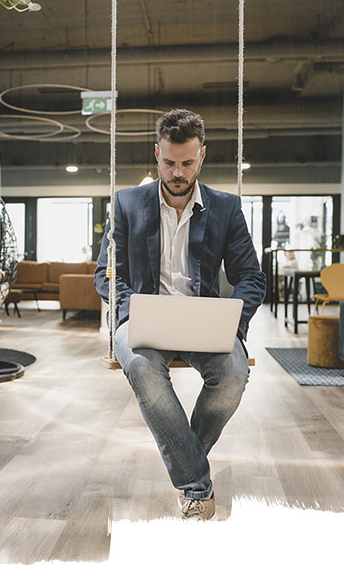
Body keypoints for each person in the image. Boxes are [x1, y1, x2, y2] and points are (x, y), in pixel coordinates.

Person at [93, 109, 266, 521]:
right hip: (141, 316)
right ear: (157, 154)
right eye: (169, 162)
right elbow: (106, 272)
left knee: (233, 375)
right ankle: (195, 486)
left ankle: (185, 457)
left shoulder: (226, 208)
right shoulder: (126, 203)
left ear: (202, 156)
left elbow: (252, 278)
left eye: (187, 163)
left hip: (203, 320)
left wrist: (232, 325)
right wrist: (129, 309)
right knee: (142, 369)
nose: (177, 172)